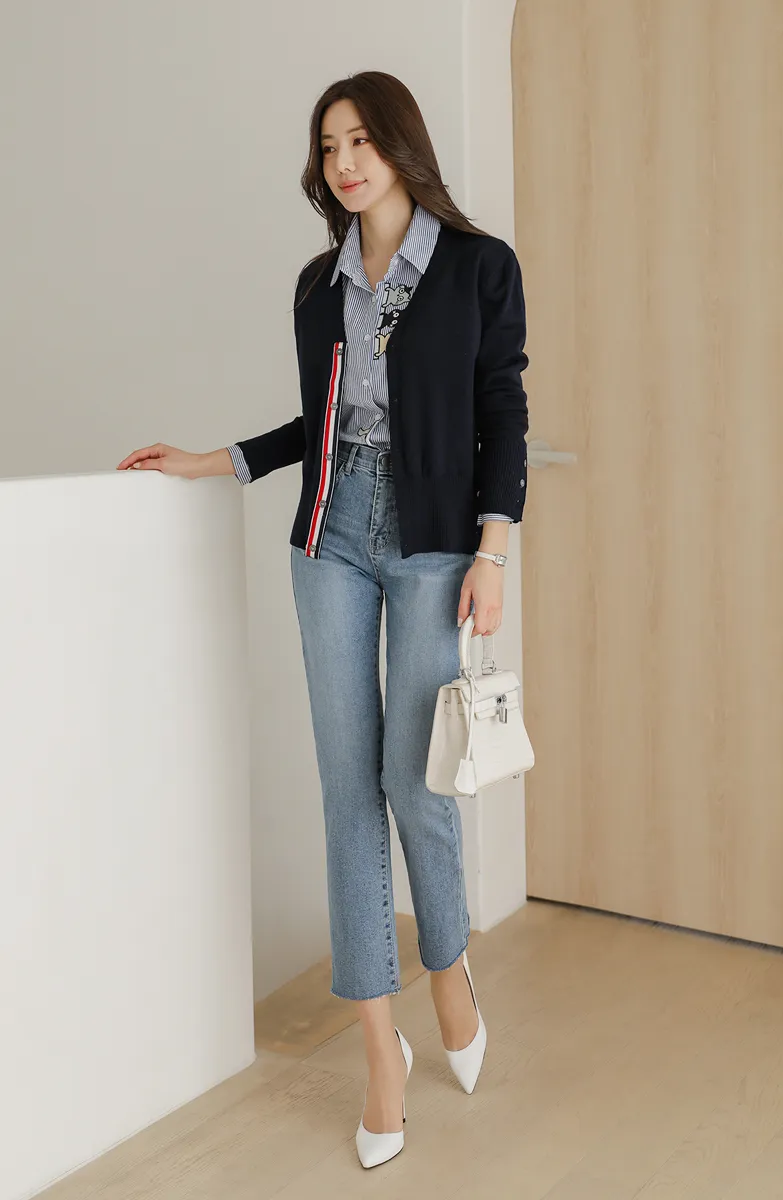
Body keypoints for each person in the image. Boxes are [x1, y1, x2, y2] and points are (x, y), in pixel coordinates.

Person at [117, 70, 528, 1169]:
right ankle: (381, 1053)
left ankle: (448, 968)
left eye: (360, 141)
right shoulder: (319, 284)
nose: (343, 162)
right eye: (329, 146)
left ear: (400, 145)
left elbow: (501, 408)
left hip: (436, 539)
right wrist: (219, 460)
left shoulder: (478, 267)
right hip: (329, 538)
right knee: (347, 792)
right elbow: (324, 420)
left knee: (413, 779)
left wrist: (493, 552)